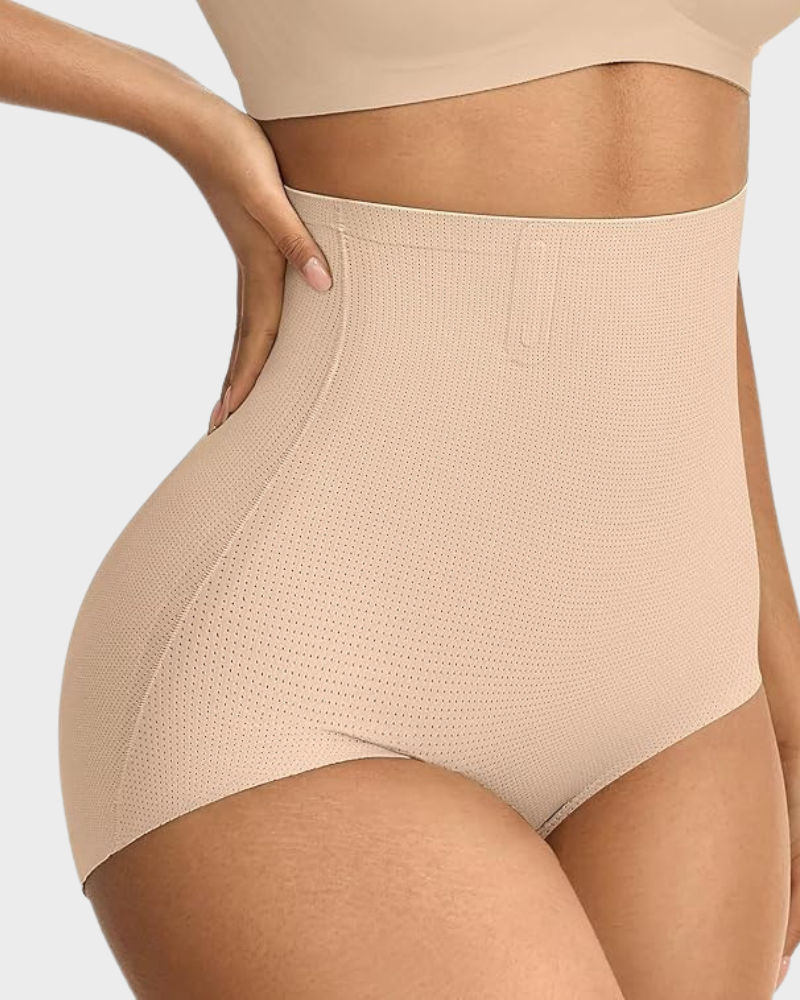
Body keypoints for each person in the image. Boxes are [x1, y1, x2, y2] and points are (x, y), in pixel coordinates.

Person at [4, 1, 800, 996]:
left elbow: (664, 261)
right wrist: (176, 109)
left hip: (688, 685)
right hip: (313, 666)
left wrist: (779, 667)